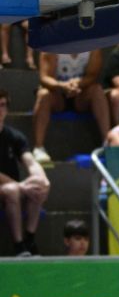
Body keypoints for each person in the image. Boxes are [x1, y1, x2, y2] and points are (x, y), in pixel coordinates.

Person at [31, 50, 111, 164]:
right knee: (43, 94)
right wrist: (62, 86)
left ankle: (107, 143)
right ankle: (38, 147)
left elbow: (93, 75)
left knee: (97, 90)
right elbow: (45, 77)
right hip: (57, 93)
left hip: (81, 93)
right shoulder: (50, 46)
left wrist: (78, 84)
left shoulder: (93, 48)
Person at [0, 88, 50, 258]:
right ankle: (19, 246)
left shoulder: (14, 136)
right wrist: (19, 185)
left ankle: (29, 239)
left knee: (38, 186)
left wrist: (42, 178)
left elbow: (30, 161)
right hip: (10, 187)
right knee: (13, 190)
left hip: (13, 188)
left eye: (2, 105)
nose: (0, 110)